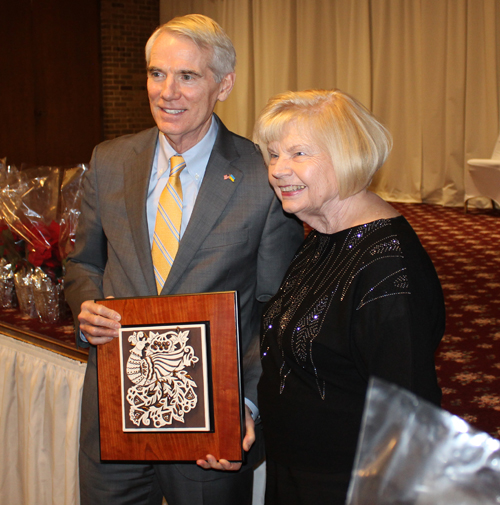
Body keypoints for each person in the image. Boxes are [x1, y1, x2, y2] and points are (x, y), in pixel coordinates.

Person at [64, 14, 303, 505]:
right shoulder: (109, 161)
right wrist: (87, 309)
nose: (167, 91)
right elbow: (83, 263)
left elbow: (275, 309)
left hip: (211, 425)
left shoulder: (263, 177)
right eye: (157, 74)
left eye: (188, 76)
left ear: (224, 85)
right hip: (114, 418)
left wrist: (249, 406)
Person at [253, 89, 445, 505]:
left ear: (346, 156)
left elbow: (410, 421)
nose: (279, 170)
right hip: (296, 471)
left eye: (299, 153)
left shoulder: (387, 269)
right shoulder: (322, 236)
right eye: (273, 154)